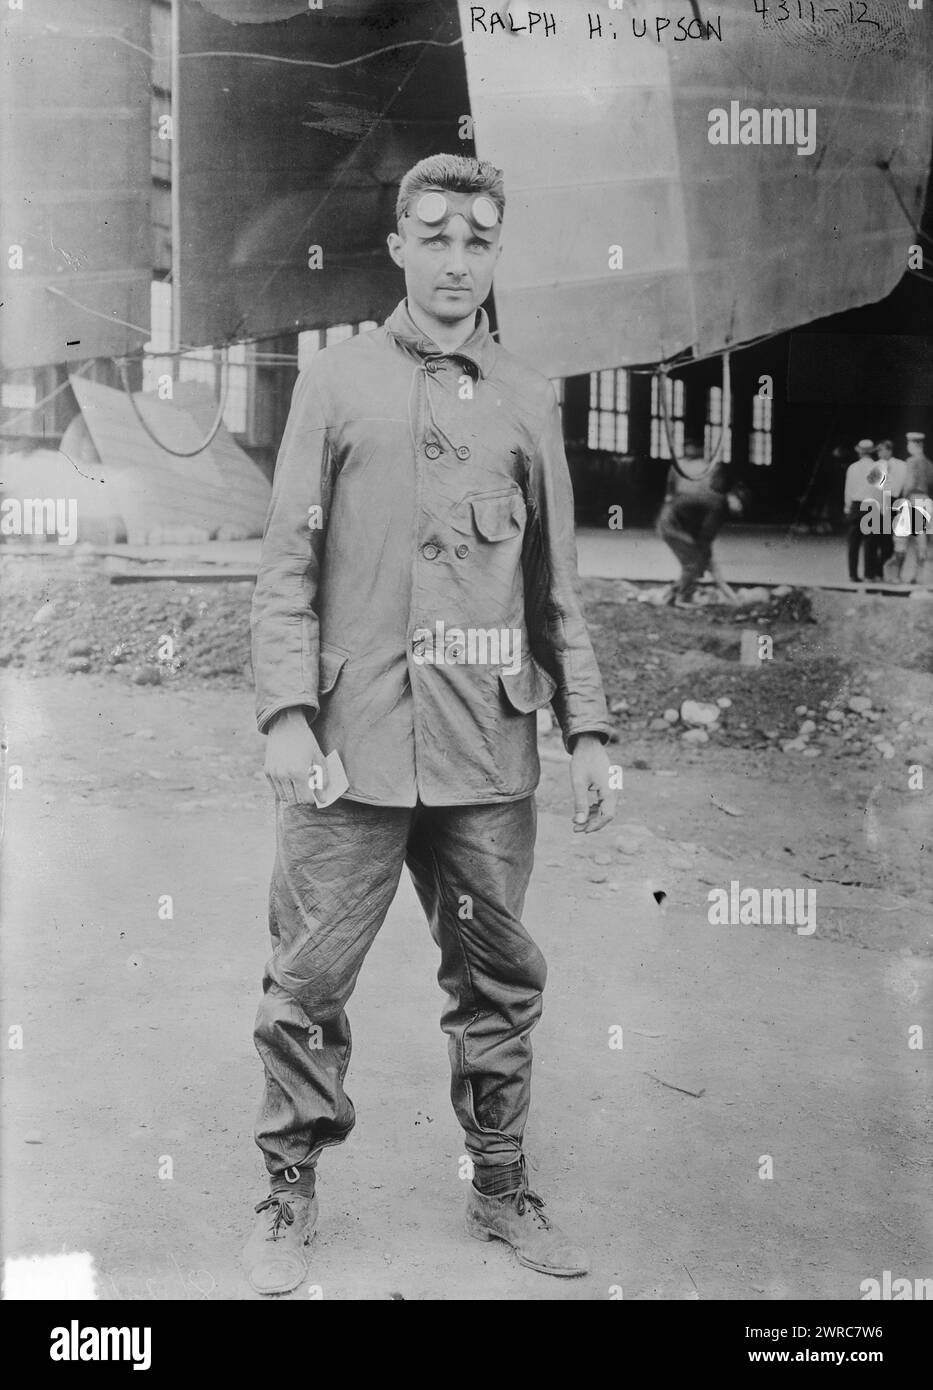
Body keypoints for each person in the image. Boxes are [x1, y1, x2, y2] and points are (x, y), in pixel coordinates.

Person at [244, 154, 616, 1295]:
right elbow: (287, 567)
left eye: (480, 239)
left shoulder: (525, 397)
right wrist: (285, 713)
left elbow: (556, 585)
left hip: (488, 751)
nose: (458, 261)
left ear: (496, 254)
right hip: (350, 749)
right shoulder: (338, 383)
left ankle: (500, 1187)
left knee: (498, 981)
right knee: (306, 983)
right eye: (437, 234)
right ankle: (288, 1192)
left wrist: (590, 733)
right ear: (398, 242)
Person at [656, 443, 745, 605]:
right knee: (693, 564)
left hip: (675, 523)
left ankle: (673, 595)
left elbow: (703, 541)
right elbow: (704, 541)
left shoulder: (715, 501)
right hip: (670, 525)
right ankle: (681, 598)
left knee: (695, 562)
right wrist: (725, 589)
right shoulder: (718, 507)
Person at [893, 431, 933, 585]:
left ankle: (897, 575)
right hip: (926, 501)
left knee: (901, 539)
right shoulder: (929, 464)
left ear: (915, 445)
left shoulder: (911, 461)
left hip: (912, 500)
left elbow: (909, 484)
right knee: (921, 542)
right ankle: (918, 575)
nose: (907, 446)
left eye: (908, 444)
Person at [843, 439, 884, 582]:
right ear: (872, 452)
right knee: (870, 542)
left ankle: (853, 575)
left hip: (856, 504)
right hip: (872, 505)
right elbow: (879, 491)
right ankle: (869, 574)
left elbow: (848, 490)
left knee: (853, 543)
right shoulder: (878, 468)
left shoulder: (852, 468)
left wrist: (847, 507)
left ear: (859, 452)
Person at [875, 440, 907, 577]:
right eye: (878, 451)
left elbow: (904, 484)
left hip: (894, 501)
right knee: (879, 538)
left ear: (889, 450)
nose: (879, 453)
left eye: (881, 450)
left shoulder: (901, 465)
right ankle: (878, 570)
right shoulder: (875, 465)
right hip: (879, 500)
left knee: (891, 539)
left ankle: (889, 570)